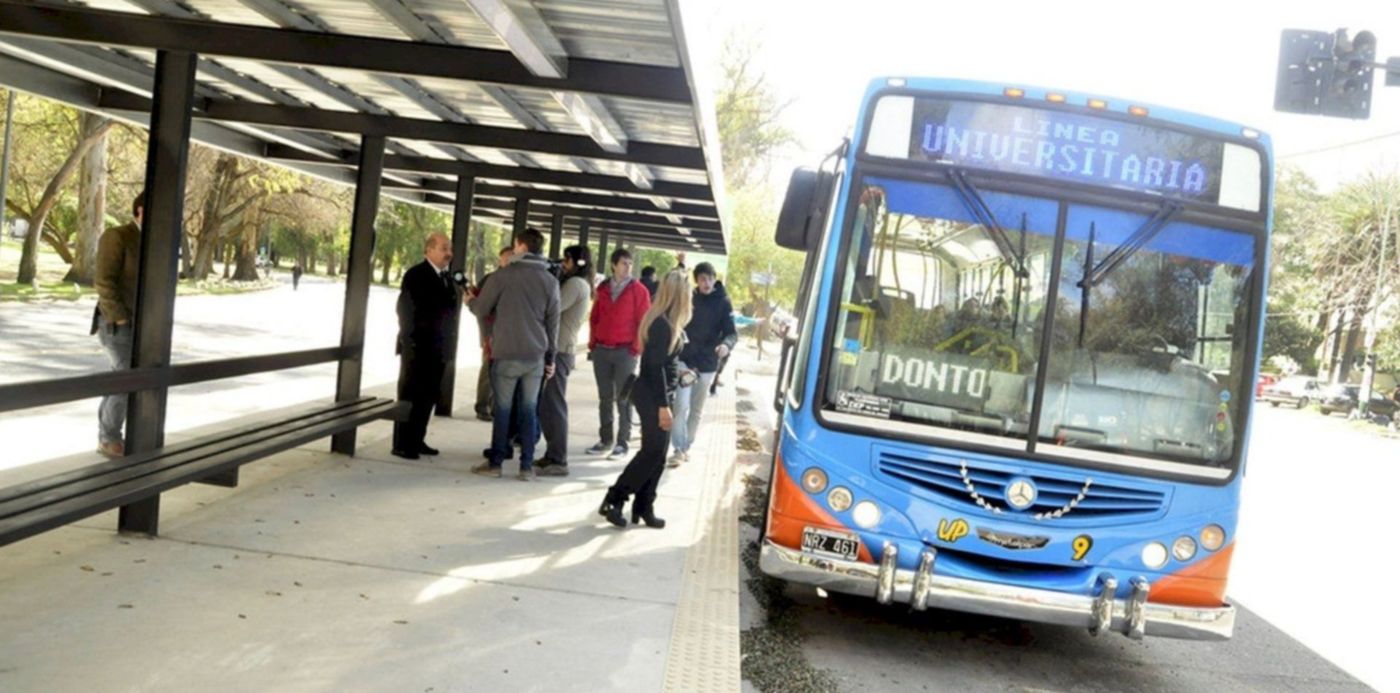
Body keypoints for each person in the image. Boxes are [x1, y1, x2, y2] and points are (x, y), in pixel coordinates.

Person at [598, 270, 692, 529]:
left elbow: (662, 363)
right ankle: (615, 498)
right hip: (653, 395)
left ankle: (644, 505)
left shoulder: (665, 321)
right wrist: (663, 406)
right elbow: (654, 367)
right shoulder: (662, 324)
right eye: (688, 292)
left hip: (660, 393)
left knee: (659, 454)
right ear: (680, 295)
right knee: (651, 452)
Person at [468, 228, 560, 481]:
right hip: (535, 357)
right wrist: (550, 358)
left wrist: (469, 301)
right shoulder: (551, 281)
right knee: (530, 411)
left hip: (506, 352)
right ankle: (526, 466)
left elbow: (482, 308)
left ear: (520, 246)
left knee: (503, 409)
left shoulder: (503, 275)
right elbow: (553, 324)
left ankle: (496, 462)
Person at [391, 233, 461, 460]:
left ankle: (417, 438)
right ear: (429, 250)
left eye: (449, 248)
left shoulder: (447, 277)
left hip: (438, 350)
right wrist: (411, 343)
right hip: (417, 349)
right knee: (410, 396)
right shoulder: (416, 275)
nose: (448, 253)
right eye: (443, 248)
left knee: (428, 397)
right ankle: (402, 444)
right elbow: (405, 311)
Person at [90, 190, 145, 458]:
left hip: (146, 325)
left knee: (133, 379)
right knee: (124, 379)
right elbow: (103, 281)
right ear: (141, 210)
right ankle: (109, 438)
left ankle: (118, 435)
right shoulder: (118, 236)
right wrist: (120, 317)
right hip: (117, 324)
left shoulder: (153, 241)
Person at [669, 263, 736, 467]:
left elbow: (732, 332)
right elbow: (678, 322)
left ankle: (686, 446)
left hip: (707, 364)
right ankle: (678, 448)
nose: (706, 283)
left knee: (696, 409)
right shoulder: (689, 298)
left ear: (715, 278)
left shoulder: (724, 302)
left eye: (709, 278)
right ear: (696, 281)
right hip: (686, 361)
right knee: (680, 405)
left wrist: (725, 345)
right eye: (701, 279)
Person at [535, 246, 594, 476]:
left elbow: (552, 307)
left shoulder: (576, 285)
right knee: (547, 405)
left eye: (566, 260)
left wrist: (552, 279)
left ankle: (559, 458)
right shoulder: (577, 283)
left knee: (554, 404)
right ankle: (552, 454)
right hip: (558, 349)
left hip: (560, 351)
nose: (562, 264)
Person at [587, 248, 651, 459]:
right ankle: (606, 439)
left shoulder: (639, 291)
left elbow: (644, 321)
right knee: (604, 397)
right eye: (623, 263)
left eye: (630, 264)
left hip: (626, 351)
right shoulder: (603, 288)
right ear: (614, 265)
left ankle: (622, 442)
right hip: (602, 350)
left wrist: (636, 347)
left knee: (624, 398)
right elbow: (594, 317)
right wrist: (593, 342)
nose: (627, 268)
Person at [472, 247, 515, 422]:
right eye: (506, 258)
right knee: (488, 371)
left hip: (508, 333)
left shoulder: (515, 279)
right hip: (491, 332)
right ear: (500, 260)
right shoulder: (491, 279)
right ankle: (482, 406)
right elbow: (479, 307)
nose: (509, 261)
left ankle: (494, 405)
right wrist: (484, 334)